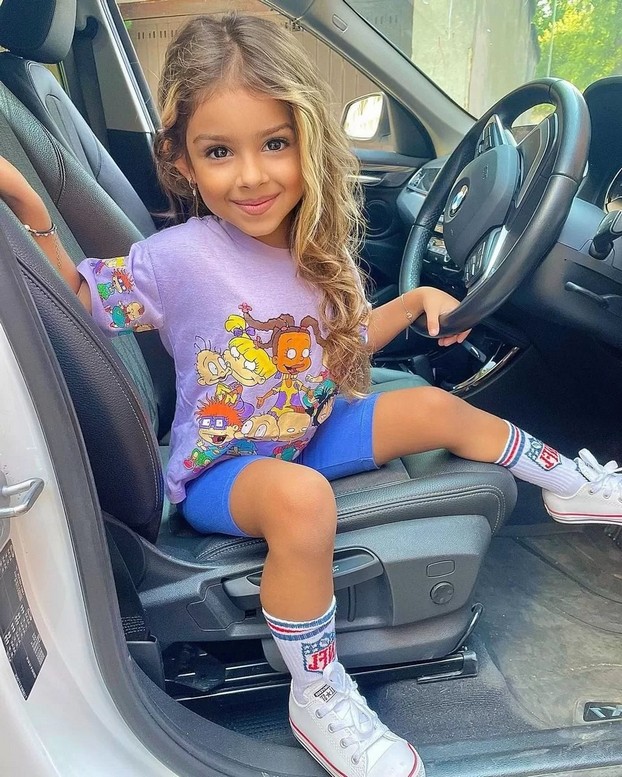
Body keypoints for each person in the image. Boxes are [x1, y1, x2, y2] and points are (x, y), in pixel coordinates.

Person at [1, 12, 621, 777]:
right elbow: (79, 303)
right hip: (224, 467)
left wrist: (413, 299)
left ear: (307, 141)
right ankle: (318, 690)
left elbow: (345, 343)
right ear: (184, 162)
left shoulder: (315, 244)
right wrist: (33, 215)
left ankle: (572, 485)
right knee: (302, 500)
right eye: (219, 152)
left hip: (311, 428)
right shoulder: (178, 258)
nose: (252, 176)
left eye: (274, 144)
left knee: (435, 408)